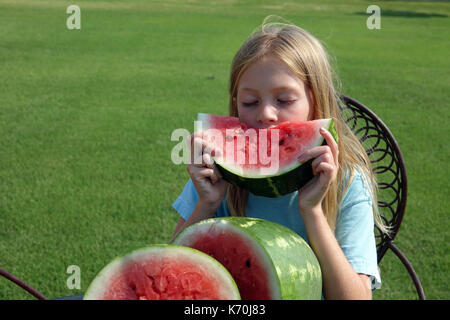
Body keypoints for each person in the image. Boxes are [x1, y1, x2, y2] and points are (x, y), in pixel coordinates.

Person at [170, 17, 389, 300]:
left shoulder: (347, 182)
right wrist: (206, 203)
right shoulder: (217, 174)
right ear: (235, 103)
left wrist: (312, 212)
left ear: (316, 101)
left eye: (284, 100)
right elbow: (170, 274)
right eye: (249, 102)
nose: (266, 114)